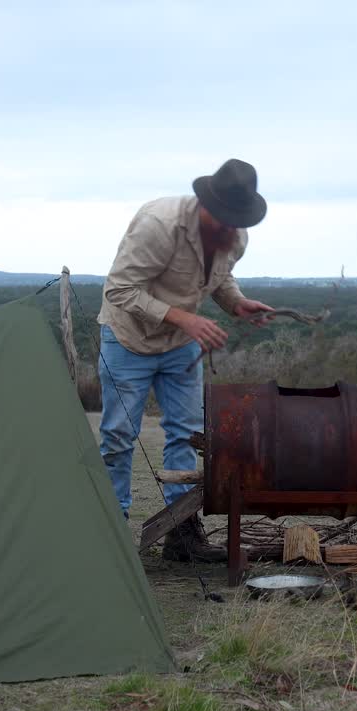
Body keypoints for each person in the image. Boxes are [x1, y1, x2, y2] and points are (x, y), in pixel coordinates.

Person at [96, 158, 274, 562]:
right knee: (119, 437)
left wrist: (236, 303)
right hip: (128, 340)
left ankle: (181, 534)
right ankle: (111, 534)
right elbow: (119, 290)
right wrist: (184, 318)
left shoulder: (236, 236)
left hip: (180, 345)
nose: (231, 229)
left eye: (237, 220)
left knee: (189, 435)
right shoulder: (158, 225)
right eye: (224, 218)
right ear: (205, 203)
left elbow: (220, 277)